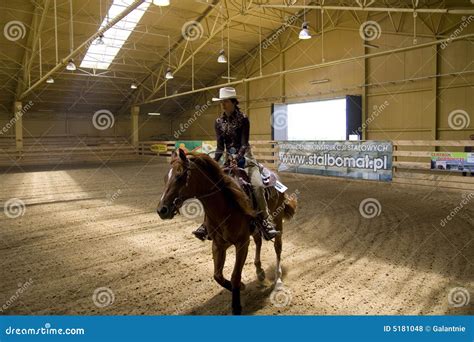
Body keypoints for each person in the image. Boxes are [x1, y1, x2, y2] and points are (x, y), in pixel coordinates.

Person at [192, 87, 279, 241]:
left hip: (246, 159)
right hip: (227, 160)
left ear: (233, 102)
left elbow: (244, 143)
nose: (222, 105)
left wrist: (237, 157)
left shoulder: (244, 119)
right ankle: (207, 223)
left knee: (257, 186)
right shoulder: (218, 122)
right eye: (221, 102)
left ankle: (265, 221)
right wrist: (213, 162)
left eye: (225, 101)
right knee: (213, 188)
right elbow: (220, 147)